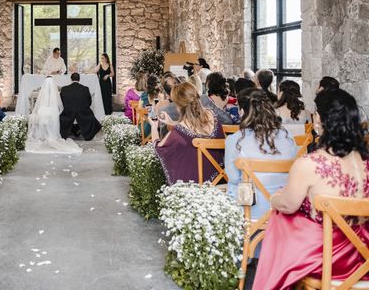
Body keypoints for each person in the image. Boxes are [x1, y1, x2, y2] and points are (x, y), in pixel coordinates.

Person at [253, 89, 369, 290]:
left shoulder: (309, 164)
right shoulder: (365, 162)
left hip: (327, 260)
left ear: (318, 120)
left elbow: (288, 205)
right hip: (363, 255)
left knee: (283, 218)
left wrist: (274, 199)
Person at [225, 88, 297, 224]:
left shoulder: (235, 140)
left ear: (241, 111)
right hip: (282, 208)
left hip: (250, 208)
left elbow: (233, 177)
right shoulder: (288, 138)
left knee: (234, 183)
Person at [153, 82, 224, 184]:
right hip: (218, 177)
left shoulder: (180, 128)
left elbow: (159, 149)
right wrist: (174, 123)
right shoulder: (212, 115)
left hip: (194, 183)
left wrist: (154, 128)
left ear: (178, 105)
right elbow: (195, 127)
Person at [26, 77, 82, 154]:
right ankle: (53, 135)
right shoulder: (55, 93)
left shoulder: (42, 92)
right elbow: (60, 106)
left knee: (42, 113)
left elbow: (37, 104)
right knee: (54, 115)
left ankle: (42, 135)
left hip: (43, 111)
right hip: (53, 112)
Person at [59, 73, 101, 141]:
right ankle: (83, 132)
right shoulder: (85, 89)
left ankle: (70, 131)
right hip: (83, 112)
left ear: (71, 79)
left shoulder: (64, 89)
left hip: (68, 112)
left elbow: (62, 102)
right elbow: (89, 102)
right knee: (92, 117)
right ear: (79, 79)